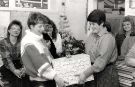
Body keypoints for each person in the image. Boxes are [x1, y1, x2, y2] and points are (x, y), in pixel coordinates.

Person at [21, 12, 66, 87]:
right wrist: (56, 77)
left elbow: (49, 57)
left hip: (47, 78)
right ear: (31, 26)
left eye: (43, 26)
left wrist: (62, 63)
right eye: (40, 26)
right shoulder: (28, 41)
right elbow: (39, 62)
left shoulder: (39, 38)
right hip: (38, 81)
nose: (42, 29)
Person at [76, 9, 119, 87]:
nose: (91, 27)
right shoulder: (91, 35)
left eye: (93, 24)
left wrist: (85, 73)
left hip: (105, 74)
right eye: (90, 24)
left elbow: (101, 61)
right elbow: (87, 54)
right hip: (91, 73)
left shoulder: (108, 38)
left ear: (102, 23)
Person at [0, 20, 31, 87]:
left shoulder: (22, 42)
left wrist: (24, 68)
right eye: (13, 28)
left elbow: (24, 57)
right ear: (9, 30)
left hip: (20, 65)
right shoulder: (3, 42)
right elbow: (7, 59)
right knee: (17, 82)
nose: (16, 30)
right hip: (7, 66)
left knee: (27, 81)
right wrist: (14, 70)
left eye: (18, 29)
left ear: (20, 32)